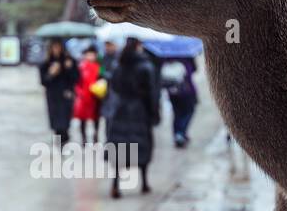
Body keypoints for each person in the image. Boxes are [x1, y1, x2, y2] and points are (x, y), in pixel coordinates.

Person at [104, 38, 158, 198]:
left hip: (120, 109)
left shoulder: (117, 65)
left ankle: (115, 184)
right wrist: (153, 113)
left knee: (120, 148)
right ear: (137, 46)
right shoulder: (145, 67)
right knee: (141, 146)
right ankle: (144, 183)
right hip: (139, 110)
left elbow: (113, 85)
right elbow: (150, 93)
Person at [38, 38, 77, 140]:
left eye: (58, 47)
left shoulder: (69, 61)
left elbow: (75, 78)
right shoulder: (45, 64)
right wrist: (51, 73)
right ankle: (59, 142)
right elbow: (43, 82)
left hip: (66, 94)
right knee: (56, 122)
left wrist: (69, 68)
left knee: (65, 121)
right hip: (53, 96)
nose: (57, 50)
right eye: (54, 47)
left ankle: (65, 139)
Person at [166, 58, 199, 147]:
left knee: (177, 113)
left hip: (172, 92)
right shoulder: (187, 57)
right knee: (189, 111)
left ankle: (178, 134)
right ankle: (180, 132)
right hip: (186, 91)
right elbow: (194, 70)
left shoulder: (167, 56)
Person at [73, 45, 102, 144]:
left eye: (92, 55)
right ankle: (84, 138)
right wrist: (79, 92)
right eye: (88, 55)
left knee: (96, 117)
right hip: (83, 97)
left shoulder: (99, 67)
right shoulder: (81, 67)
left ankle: (95, 135)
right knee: (82, 118)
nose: (90, 57)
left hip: (95, 96)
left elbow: (102, 79)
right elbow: (76, 82)